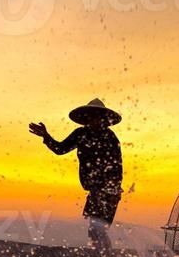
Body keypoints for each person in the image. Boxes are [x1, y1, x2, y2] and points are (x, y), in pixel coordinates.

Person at [29, 99, 124, 249]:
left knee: (98, 230)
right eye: (91, 117)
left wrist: (112, 191)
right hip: (94, 191)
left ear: (103, 119)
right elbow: (60, 149)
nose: (94, 120)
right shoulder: (81, 134)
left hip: (108, 190)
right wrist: (45, 136)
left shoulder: (110, 138)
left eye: (97, 117)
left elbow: (117, 168)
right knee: (94, 231)